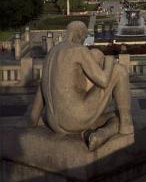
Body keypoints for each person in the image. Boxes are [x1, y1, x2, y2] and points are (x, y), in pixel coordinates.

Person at [30, 21, 134, 150]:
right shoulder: (78, 50)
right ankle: (126, 125)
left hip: (54, 123)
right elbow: (103, 81)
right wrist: (109, 62)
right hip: (75, 118)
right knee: (119, 71)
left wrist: (33, 119)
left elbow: (40, 95)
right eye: (84, 38)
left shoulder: (51, 53)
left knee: (112, 117)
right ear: (79, 34)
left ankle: (100, 135)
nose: (84, 41)